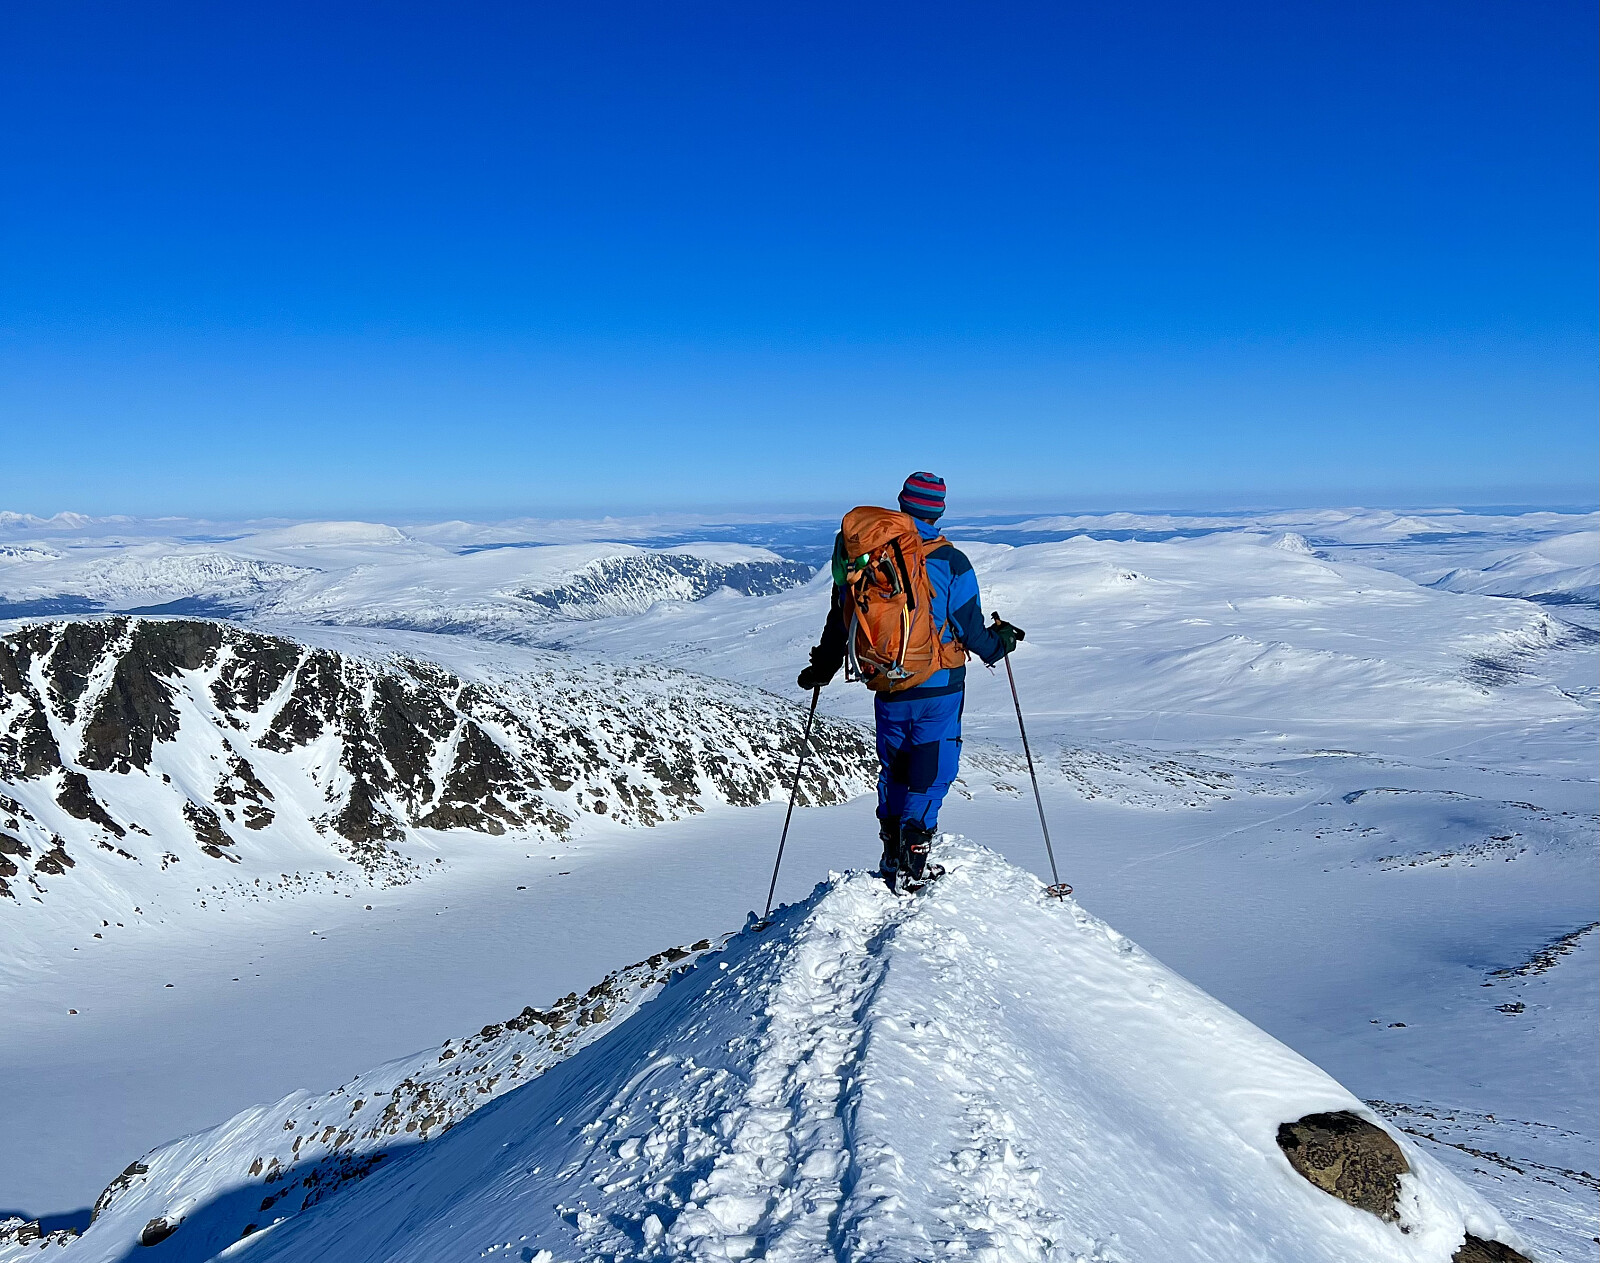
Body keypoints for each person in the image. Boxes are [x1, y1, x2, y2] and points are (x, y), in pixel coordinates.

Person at [797, 472, 1024, 891]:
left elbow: (841, 619)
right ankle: (912, 864)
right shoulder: (951, 562)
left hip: (887, 683)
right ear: (939, 510)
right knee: (931, 770)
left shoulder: (866, 557)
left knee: (896, 767)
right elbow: (972, 631)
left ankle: (891, 853)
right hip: (939, 685)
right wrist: (1002, 643)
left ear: (902, 504)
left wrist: (823, 668)